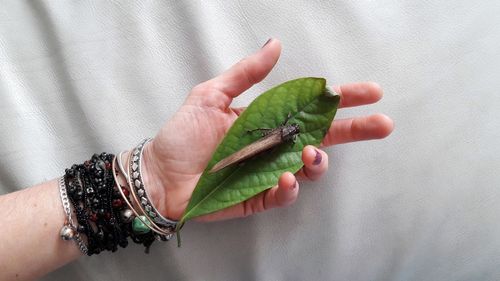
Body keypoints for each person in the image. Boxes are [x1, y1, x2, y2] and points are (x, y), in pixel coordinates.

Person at [0, 38, 394, 280]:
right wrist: (150, 179)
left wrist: (152, 186)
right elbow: (281, 133)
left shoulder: (287, 133)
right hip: (250, 149)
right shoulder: (284, 130)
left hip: (255, 153)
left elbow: (282, 138)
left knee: (268, 157)